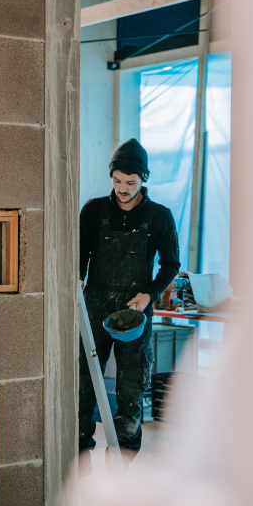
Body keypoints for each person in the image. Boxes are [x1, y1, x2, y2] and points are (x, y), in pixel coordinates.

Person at [78, 138, 180, 468]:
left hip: (136, 311)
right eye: (117, 181)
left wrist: (150, 294)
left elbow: (171, 264)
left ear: (143, 180)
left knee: (131, 388)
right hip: (94, 308)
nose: (123, 189)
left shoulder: (160, 217)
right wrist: (77, 279)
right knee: (83, 384)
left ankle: (119, 467)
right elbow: (80, 255)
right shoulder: (93, 211)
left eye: (130, 183)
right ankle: (80, 460)